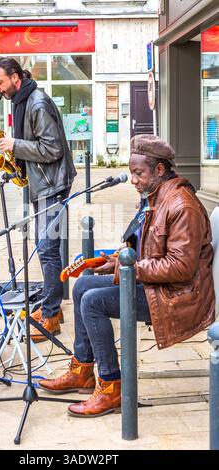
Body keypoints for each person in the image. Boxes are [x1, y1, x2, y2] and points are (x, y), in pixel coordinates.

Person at [38, 134, 215, 418]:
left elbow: (181, 267)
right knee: (83, 284)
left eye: (138, 173)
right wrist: (116, 259)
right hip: (157, 285)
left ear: (159, 170)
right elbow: (147, 249)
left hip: (176, 297)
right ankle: (82, 370)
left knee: (92, 302)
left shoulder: (182, 205)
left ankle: (110, 387)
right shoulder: (156, 195)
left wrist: (128, 267)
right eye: (131, 172)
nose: (133, 179)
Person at [0, 57, 76, 342]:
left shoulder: (36, 103)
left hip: (52, 185)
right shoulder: (22, 100)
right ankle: (54, 308)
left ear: (15, 77)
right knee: (47, 249)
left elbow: (52, 149)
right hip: (43, 183)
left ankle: (50, 315)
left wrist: (16, 146)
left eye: (0, 82)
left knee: (47, 250)